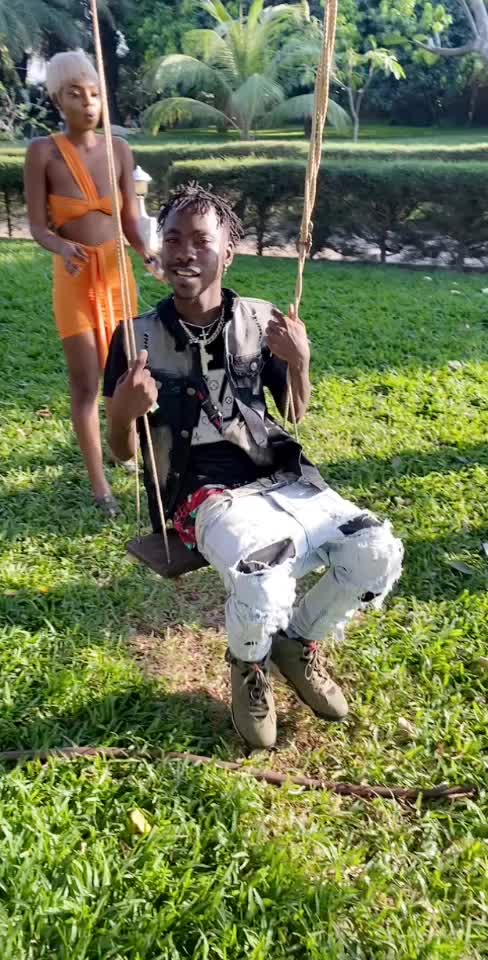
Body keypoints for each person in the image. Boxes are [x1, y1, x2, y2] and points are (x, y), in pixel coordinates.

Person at [104, 183, 404, 750]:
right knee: (263, 576)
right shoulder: (135, 337)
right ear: (159, 249)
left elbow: (294, 412)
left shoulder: (260, 320)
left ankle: (298, 642)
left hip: (278, 474)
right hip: (201, 492)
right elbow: (122, 452)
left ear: (228, 252)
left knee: (376, 550)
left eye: (200, 241)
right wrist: (122, 413)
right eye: (173, 239)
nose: (184, 252)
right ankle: (249, 666)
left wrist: (301, 363)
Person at [24, 51, 152, 517]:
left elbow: (131, 220)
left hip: (117, 274)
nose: (88, 103)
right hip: (76, 280)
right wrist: (62, 248)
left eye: (95, 93)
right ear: (58, 100)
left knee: (128, 374)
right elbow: (38, 227)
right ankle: (101, 487)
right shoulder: (43, 152)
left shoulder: (119, 149)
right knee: (85, 385)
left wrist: (148, 252)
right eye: (76, 94)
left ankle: (129, 454)